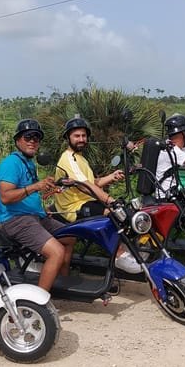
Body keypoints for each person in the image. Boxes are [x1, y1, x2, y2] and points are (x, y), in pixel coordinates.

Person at [0, 119, 76, 292]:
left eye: (37, 138)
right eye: (28, 137)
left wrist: (41, 210)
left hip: (34, 217)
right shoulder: (11, 163)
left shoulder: (28, 163)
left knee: (71, 237)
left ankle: (60, 282)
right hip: (14, 220)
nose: (33, 140)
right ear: (18, 140)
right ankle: (40, 301)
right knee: (57, 252)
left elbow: (28, 195)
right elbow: (6, 197)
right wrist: (36, 186)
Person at [53, 116, 140, 274]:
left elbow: (93, 182)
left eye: (84, 136)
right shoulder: (68, 159)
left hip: (85, 202)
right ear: (68, 138)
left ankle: (124, 253)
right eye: (77, 136)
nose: (81, 139)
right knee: (113, 214)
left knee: (124, 212)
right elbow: (86, 187)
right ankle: (119, 255)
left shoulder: (80, 158)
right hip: (72, 208)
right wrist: (110, 201)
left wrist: (112, 176)